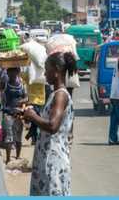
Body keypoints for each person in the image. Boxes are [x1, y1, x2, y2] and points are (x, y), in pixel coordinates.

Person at [22, 52, 75, 196]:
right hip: (47, 160)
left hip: (53, 163)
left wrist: (33, 116)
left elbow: (53, 126)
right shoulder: (56, 94)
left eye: (47, 69)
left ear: (57, 70)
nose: (45, 74)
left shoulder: (60, 95)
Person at [1, 67, 27, 164]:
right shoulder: (5, 83)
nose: (12, 74)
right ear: (7, 72)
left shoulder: (21, 84)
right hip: (8, 113)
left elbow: (26, 97)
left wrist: (21, 101)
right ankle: (8, 158)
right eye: (10, 71)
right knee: (9, 137)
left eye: (14, 71)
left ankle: (18, 156)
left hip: (19, 113)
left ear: (18, 72)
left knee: (18, 136)